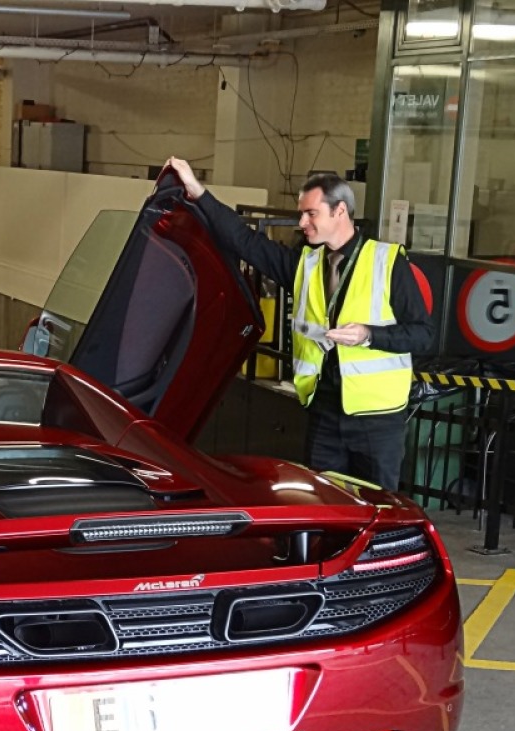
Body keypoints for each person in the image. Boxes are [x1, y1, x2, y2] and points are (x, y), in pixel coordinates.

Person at [166, 157, 434, 490]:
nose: (302, 223)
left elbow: (423, 336)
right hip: (324, 412)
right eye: (301, 214)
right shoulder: (304, 264)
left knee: (378, 513)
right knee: (322, 508)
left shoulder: (388, 262)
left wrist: (369, 335)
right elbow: (244, 241)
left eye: (311, 213)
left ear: (339, 212)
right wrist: (198, 192)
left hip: (377, 421)